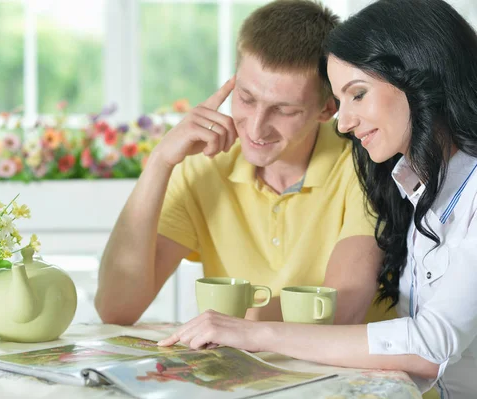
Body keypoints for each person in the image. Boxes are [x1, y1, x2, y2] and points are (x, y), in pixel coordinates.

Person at [158, 0, 477, 397]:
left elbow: (431, 345)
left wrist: (255, 333)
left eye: (357, 94)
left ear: (420, 76)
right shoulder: (413, 189)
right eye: (341, 102)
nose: (343, 122)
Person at [95, 0, 391, 327]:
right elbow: (116, 309)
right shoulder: (204, 166)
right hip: (242, 366)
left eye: (284, 110)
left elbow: (341, 309)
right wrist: (160, 162)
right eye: (246, 99)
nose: (255, 127)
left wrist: (241, 320)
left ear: (327, 109)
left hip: (341, 372)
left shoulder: (364, 166)